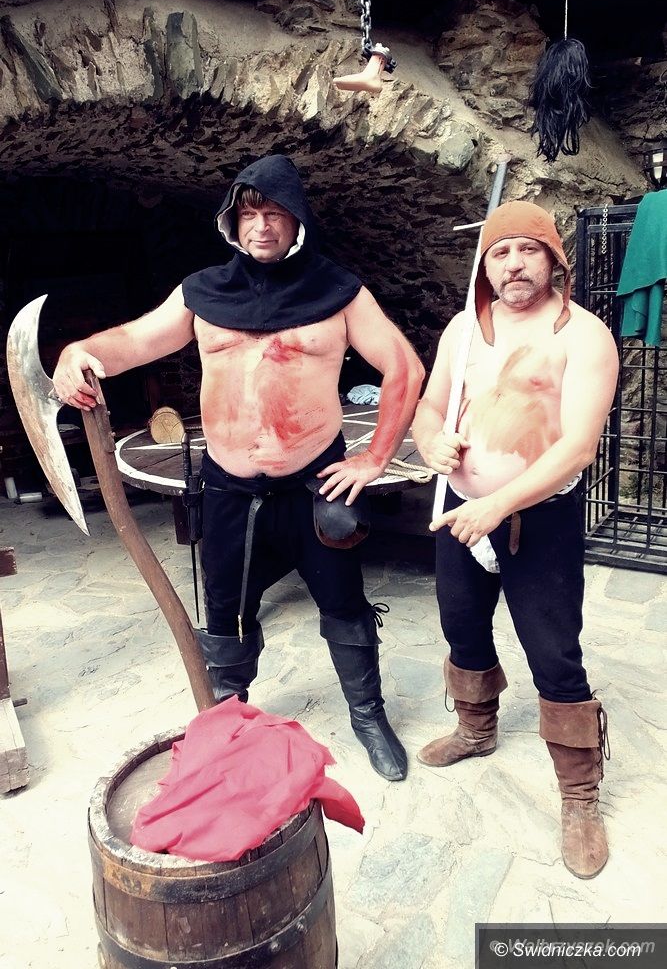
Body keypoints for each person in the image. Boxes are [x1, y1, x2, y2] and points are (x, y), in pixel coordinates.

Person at [53, 154, 424, 782]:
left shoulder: (338, 291)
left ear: (297, 220)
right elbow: (136, 341)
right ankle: (228, 721)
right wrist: (78, 351)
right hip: (227, 488)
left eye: (275, 213)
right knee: (225, 612)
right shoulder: (203, 292)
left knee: (344, 607)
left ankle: (368, 714)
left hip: (315, 484)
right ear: (231, 222)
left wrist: (375, 456)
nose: (262, 226)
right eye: (249, 214)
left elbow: (404, 368)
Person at [411, 201, 618, 877]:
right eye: (499, 253)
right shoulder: (463, 330)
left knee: (553, 650)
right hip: (460, 510)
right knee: (461, 624)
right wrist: (429, 442)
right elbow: (429, 408)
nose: (513, 264)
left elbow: (578, 447)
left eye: (528, 250)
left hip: (538, 517)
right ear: (485, 266)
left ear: (554, 260)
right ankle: (476, 729)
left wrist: (497, 504)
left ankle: (579, 794)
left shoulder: (582, 336)